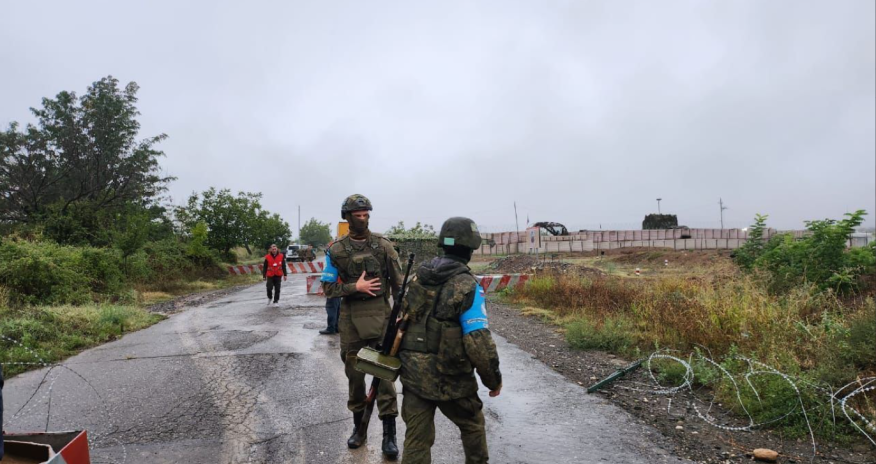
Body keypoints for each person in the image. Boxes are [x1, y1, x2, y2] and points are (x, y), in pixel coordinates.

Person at [398, 217, 502, 464]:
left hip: (413, 376)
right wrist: (492, 380)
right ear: (470, 248)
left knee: (416, 440)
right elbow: (478, 341)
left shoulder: (416, 278)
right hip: (452, 378)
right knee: (472, 426)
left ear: (442, 245)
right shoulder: (468, 286)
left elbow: (402, 321)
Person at [321, 194, 402, 459]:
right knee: (355, 376)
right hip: (351, 320)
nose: (362, 216)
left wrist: (402, 318)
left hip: (382, 318)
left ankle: (389, 434)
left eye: (366, 212)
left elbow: (399, 286)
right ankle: (360, 429)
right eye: (357, 213)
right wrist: (355, 287)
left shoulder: (383, 245)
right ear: (346, 216)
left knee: (384, 375)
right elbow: (328, 288)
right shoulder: (336, 250)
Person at [320, 240, 341, 335]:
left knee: (331, 306)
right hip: (334, 281)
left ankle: (331, 328)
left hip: (331, 282)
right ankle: (336, 327)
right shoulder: (338, 253)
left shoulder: (333, 253)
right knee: (336, 306)